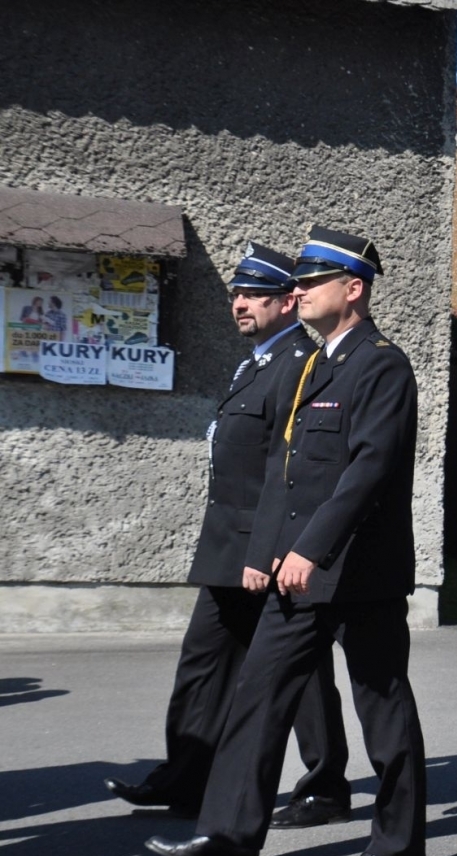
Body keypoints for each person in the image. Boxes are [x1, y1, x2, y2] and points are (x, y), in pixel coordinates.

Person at [145, 227, 427, 856]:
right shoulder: (313, 365)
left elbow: (368, 470)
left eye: (311, 282)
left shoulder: (382, 365)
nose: (297, 292)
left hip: (360, 572)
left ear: (352, 289)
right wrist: (266, 550)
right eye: (296, 283)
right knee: (259, 693)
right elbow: (285, 468)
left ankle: (398, 846)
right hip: (298, 571)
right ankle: (228, 834)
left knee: (382, 706)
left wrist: (309, 548)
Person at [104, 243, 350, 826]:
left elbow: (291, 467)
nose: (240, 304)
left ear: (286, 302)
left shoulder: (299, 364)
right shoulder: (259, 363)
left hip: (268, 548)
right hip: (230, 545)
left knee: (300, 672)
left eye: (254, 295)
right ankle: (186, 779)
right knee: (204, 663)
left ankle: (324, 787)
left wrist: (280, 548)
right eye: (237, 294)